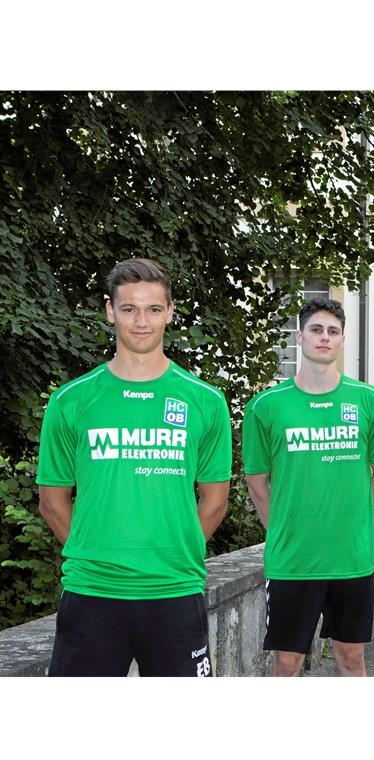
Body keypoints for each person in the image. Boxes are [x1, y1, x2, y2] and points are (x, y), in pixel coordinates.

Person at [36, 258, 232, 677]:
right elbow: (52, 501)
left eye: (153, 309)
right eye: (129, 309)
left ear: (170, 313)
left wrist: (173, 554)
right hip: (92, 593)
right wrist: (96, 553)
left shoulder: (206, 401)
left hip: (175, 592)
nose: (141, 321)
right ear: (110, 311)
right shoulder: (71, 401)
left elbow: (215, 500)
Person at [243, 297, 374, 677]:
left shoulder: (369, 400)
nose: (324, 338)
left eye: (332, 331)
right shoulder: (266, 406)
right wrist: (281, 528)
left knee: (351, 658)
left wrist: (355, 515)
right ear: (299, 336)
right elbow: (257, 482)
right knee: (287, 663)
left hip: (350, 556)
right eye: (316, 330)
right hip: (293, 559)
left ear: (342, 340)